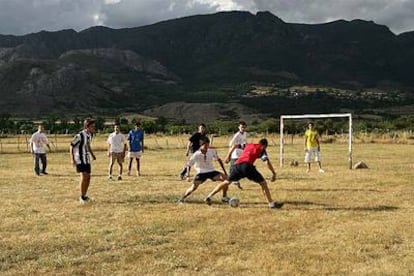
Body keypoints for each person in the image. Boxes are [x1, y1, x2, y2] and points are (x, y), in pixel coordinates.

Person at [204, 138, 283, 209]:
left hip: (237, 165)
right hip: (247, 166)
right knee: (263, 183)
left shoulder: (249, 145)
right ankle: (271, 204)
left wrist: (228, 156)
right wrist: (273, 173)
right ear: (265, 146)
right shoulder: (262, 149)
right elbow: (266, 161)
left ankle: (209, 196)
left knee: (226, 182)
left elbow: (235, 146)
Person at [178, 136, 229, 204]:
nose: (207, 147)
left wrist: (224, 172)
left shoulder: (212, 151)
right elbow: (189, 164)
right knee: (193, 188)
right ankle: (182, 199)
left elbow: (219, 160)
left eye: (208, 145)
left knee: (226, 180)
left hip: (211, 171)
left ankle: (224, 197)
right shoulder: (196, 154)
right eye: (205, 145)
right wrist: (187, 175)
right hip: (201, 173)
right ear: (201, 145)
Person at [70, 118, 97, 204]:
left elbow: (88, 145)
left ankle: (85, 195)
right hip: (80, 159)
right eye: (92, 126)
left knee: (88, 177)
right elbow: (71, 145)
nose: (94, 128)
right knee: (84, 176)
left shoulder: (89, 135)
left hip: (86, 159)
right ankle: (81, 196)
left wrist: (92, 155)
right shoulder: (80, 135)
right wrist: (72, 159)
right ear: (87, 126)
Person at [225, 120, 248, 189]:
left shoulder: (245, 134)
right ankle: (230, 181)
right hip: (235, 154)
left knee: (239, 168)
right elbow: (231, 144)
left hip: (241, 154)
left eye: (244, 127)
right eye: (241, 127)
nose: (242, 128)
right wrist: (228, 155)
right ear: (239, 127)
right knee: (233, 168)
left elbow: (245, 143)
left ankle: (235, 180)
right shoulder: (236, 135)